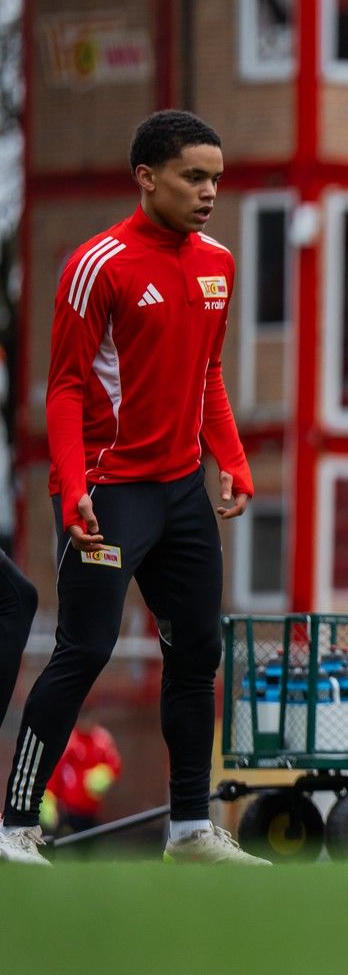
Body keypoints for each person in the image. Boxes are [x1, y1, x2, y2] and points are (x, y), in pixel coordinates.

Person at [0, 110, 264, 866]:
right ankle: (16, 824)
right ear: (147, 178)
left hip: (181, 492)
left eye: (216, 176)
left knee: (198, 650)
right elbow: (64, 391)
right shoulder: (99, 264)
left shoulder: (218, 262)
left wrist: (232, 457)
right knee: (85, 648)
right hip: (108, 491)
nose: (209, 190)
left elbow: (207, 373)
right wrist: (74, 487)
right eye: (193, 176)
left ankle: (189, 830)